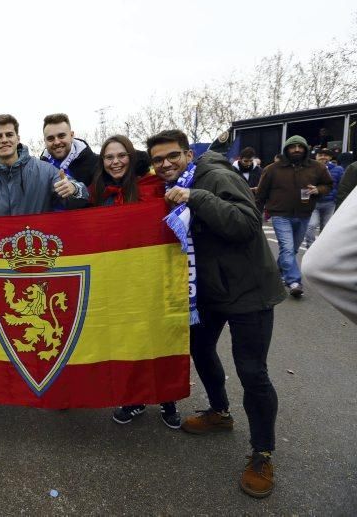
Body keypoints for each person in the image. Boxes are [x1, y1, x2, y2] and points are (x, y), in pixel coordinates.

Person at [149, 129, 285, 499]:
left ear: (188, 154)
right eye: (158, 159)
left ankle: (263, 453)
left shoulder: (214, 177)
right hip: (210, 291)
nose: (165, 165)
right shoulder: (174, 181)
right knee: (200, 348)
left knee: (252, 372)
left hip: (249, 292)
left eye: (172, 156)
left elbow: (245, 223)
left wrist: (197, 197)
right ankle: (220, 412)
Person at [86, 134, 179, 428]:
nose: (115, 162)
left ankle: (168, 398)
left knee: (159, 335)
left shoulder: (154, 186)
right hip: (116, 279)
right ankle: (134, 397)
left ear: (131, 155)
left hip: (151, 274)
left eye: (121, 155)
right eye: (109, 158)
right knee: (128, 338)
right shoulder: (97, 191)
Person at [255, 136, 332, 298]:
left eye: (300, 147)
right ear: (286, 149)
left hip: (304, 214)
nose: (296, 149)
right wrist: (256, 215)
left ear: (305, 149)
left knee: (291, 250)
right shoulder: (272, 169)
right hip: (280, 215)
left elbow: (328, 184)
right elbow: (261, 194)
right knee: (288, 248)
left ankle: (275, 276)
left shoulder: (317, 167)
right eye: (292, 147)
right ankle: (294, 282)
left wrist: (318, 190)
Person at [0, 114, 89, 217]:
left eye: (9, 134)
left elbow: (79, 199)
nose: (4, 140)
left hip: (38, 239)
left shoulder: (46, 171)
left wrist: (74, 189)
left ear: (18, 138)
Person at [302, 189, 357, 325]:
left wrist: (319, 189)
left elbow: (336, 186)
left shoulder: (332, 170)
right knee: (309, 229)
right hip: (302, 207)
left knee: (321, 230)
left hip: (328, 203)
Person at [303, 148, 343, 247]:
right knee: (311, 225)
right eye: (320, 155)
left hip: (330, 203)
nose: (323, 157)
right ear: (316, 156)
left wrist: (336, 199)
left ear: (330, 157)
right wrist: (303, 202)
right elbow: (303, 184)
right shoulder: (307, 169)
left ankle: (321, 248)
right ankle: (310, 247)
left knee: (326, 228)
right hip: (313, 203)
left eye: (326, 155)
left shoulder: (338, 169)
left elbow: (341, 186)